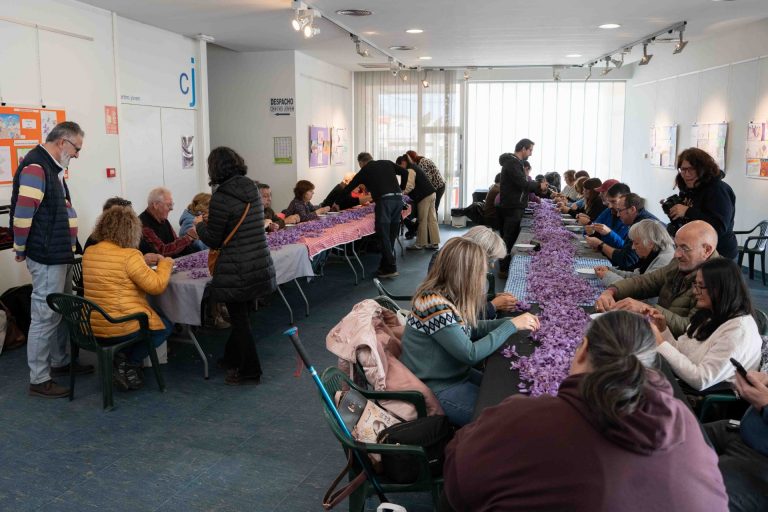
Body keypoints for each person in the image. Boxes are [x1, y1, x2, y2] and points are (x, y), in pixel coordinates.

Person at [443, 311, 728, 512]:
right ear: (651, 365)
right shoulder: (685, 422)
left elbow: (458, 485)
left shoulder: (524, 416)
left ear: (582, 349)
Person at [400, 237, 540, 426]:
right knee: (503, 422)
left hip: (455, 375)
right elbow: (470, 354)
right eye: (482, 270)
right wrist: (511, 326)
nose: (485, 274)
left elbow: (470, 327)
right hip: (438, 388)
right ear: (466, 273)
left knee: (505, 390)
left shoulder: (446, 295)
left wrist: (506, 322)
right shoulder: (433, 305)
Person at [10, 121, 93, 398]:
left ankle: (60, 362)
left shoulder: (53, 167)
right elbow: (23, 213)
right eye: (77, 148)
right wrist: (20, 248)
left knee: (60, 311)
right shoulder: (36, 167)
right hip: (47, 255)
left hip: (60, 253)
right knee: (44, 316)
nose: (77, 155)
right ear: (62, 142)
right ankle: (39, 378)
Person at [194, 147, 277, 385]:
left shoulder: (221, 197)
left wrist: (199, 225)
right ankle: (231, 357)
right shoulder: (252, 189)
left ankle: (251, 371)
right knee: (243, 316)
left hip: (236, 267)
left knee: (239, 320)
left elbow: (214, 239)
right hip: (258, 261)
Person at [83, 205, 174, 391]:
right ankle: (130, 362)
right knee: (164, 327)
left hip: (92, 324)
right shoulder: (130, 256)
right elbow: (156, 286)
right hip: (119, 325)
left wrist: (141, 261)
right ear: (131, 231)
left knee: (143, 321)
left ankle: (120, 357)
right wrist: (166, 264)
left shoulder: (90, 252)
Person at [646, 258, 762, 391]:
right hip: (685, 385)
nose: (695, 291)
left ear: (722, 289)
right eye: (695, 284)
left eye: (701, 286)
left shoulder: (738, 331)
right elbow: (681, 352)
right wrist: (662, 330)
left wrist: (660, 342)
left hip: (706, 398)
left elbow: (701, 380)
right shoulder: (710, 314)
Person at [594, 220, 719, 336]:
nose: (676, 254)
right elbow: (646, 282)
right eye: (677, 246)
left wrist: (646, 309)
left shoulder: (718, 280)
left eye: (685, 248)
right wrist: (611, 290)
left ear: (707, 250)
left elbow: (690, 328)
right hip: (659, 334)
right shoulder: (679, 263)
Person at [704, 369, 768, 512]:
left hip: (759, 467)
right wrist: (764, 380)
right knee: (670, 440)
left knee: (695, 495)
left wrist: (766, 404)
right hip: (740, 431)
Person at [342, 152, 408, 278]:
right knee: (390, 236)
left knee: (383, 235)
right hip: (398, 201)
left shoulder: (365, 169)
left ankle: (391, 268)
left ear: (361, 163)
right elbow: (405, 172)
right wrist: (401, 188)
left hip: (385, 203)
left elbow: (349, 187)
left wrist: (337, 201)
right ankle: (385, 267)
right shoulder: (387, 163)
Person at [428, 226, 517, 318]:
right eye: (489, 261)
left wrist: (491, 297)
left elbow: (463, 298)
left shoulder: (454, 261)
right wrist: (493, 306)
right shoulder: (455, 271)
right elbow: (459, 317)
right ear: (474, 254)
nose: (492, 266)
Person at [665, 147, 737, 259]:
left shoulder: (718, 190)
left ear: (703, 169)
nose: (686, 174)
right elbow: (688, 222)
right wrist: (673, 213)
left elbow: (719, 227)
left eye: (691, 169)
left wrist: (687, 211)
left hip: (718, 253)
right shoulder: (687, 188)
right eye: (683, 169)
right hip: (694, 250)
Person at [498, 139, 548, 275]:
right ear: (523, 148)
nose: (531, 153)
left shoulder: (516, 163)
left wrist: (538, 187)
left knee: (511, 237)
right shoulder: (512, 163)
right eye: (530, 150)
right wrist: (539, 186)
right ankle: (503, 268)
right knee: (509, 238)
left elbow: (523, 184)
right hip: (512, 206)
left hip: (514, 205)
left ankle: (505, 266)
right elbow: (522, 183)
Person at [586, 193, 660, 270]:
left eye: (619, 210)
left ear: (632, 209)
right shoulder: (639, 219)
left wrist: (600, 245)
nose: (618, 214)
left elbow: (626, 261)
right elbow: (625, 253)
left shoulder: (642, 225)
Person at [595, 219, 675, 289]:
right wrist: (610, 270)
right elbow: (637, 278)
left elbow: (639, 291)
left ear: (650, 243)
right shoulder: (655, 252)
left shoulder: (663, 262)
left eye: (636, 243)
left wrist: (607, 276)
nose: (633, 247)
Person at [139, 187, 199, 257]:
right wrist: (188, 237)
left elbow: (175, 243)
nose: (171, 208)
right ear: (155, 205)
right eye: (168, 205)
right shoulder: (142, 224)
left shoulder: (164, 220)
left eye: (171, 204)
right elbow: (162, 252)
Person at [397, 155, 439, 250]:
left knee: (422, 220)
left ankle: (420, 244)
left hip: (424, 196)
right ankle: (434, 243)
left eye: (399, 166)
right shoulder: (415, 166)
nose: (400, 170)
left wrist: (400, 194)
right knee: (432, 219)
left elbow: (410, 186)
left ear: (403, 163)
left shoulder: (410, 170)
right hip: (431, 193)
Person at [584, 181, 630, 247]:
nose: (610, 206)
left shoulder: (632, 218)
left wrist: (609, 233)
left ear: (624, 200)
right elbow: (588, 231)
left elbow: (626, 249)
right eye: (609, 202)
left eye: (614, 201)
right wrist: (592, 232)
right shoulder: (608, 211)